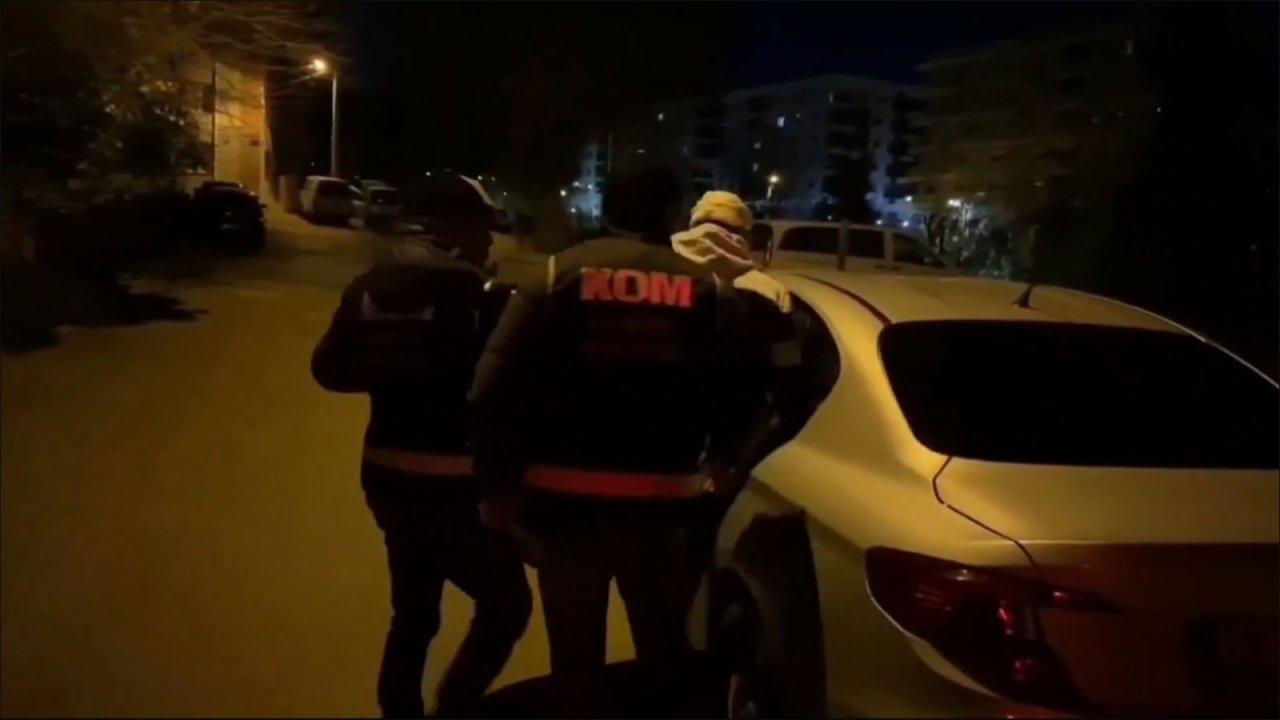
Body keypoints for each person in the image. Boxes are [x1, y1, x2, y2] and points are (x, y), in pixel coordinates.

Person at [469, 167, 787, 709]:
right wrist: (726, 458)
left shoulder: (558, 273)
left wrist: (498, 489)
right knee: (662, 662)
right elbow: (750, 389)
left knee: (575, 666)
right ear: (670, 214)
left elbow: (491, 391)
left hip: (565, 509)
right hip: (663, 509)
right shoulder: (707, 290)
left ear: (607, 208)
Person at [311, 174, 531, 718]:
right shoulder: (485, 297)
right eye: (481, 229)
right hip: (459, 485)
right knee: (507, 606)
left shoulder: (370, 286)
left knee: (413, 614)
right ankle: (454, 706)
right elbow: (508, 392)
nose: (488, 241)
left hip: (386, 474)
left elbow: (329, 370)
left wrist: (395, 369)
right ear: (452, 228)